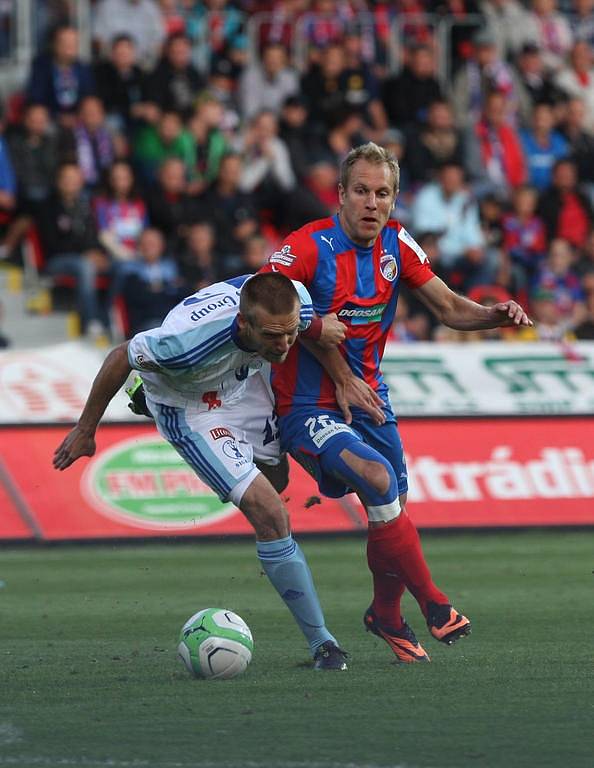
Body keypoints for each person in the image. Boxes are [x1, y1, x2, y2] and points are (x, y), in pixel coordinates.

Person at [259, 142, 532, 664]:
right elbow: (263, 297)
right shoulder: (309, 245)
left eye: (382, 193)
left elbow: (450, 308)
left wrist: (494, 315)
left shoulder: (395, 244)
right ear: (340, 194)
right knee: (379, 480)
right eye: (360, 190)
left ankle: (384, 616)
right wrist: (332, 360)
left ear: (394, 199)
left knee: (392, 512)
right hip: (306, 407)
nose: (371, 202)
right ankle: (434, 602)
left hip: (370, 399)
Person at [53, 272, 380, 670]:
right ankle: (324, 644)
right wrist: (86, 430)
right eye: (274, 336)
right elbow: (121, 354)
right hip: (188, 407)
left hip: (240, 384)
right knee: (271, 514)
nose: (284, 345)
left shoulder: (292, 298)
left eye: (290, 333)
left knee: (277, 484)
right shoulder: (183, 348)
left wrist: (323, 346)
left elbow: (301, 320)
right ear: (243, 323)